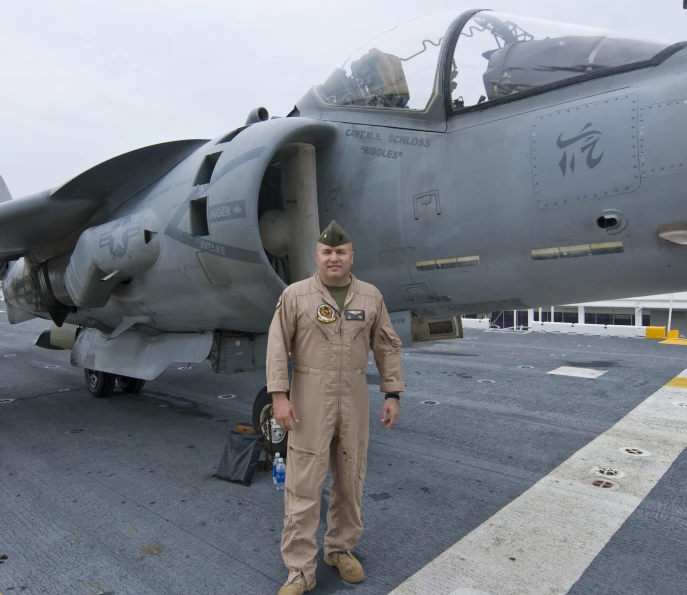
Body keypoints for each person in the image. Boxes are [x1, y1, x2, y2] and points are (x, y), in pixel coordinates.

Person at [266, 220, 405, 595]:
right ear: (317, 256)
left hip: (354, 393)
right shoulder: (296, 296)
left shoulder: (370, 297)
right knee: (303, 484)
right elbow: (278, 346)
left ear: (351, 256)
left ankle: (340, 549)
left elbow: (387, 345)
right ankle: (299, 570)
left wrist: (392, 393)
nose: (333, 258)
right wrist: (279, 396)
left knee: (350, 478)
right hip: (309, 394)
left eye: (340, 252)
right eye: (327, 252)